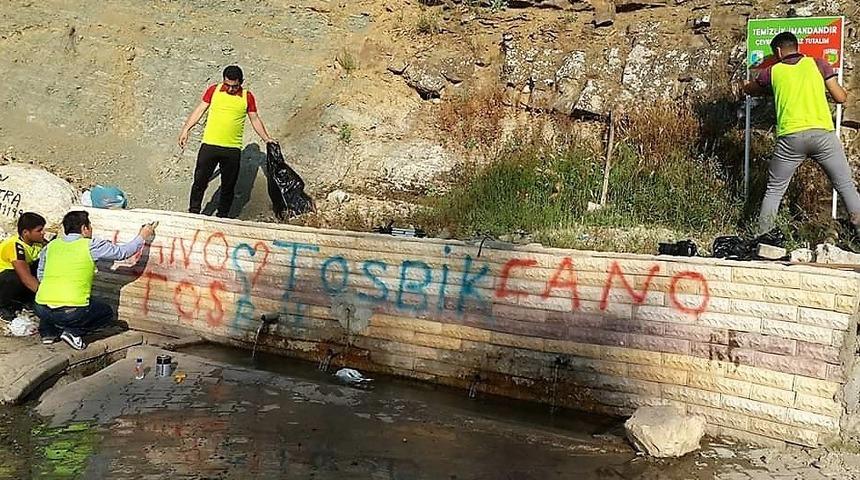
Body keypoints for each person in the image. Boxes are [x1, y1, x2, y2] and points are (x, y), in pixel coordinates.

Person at [743, 31, 859, 235]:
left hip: (791, 139)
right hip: (822, 135)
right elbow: (840, 97)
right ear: (797, 47)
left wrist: (746, 85)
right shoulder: (818, 64)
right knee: (846, 186)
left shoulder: (772, 71)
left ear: (778, 51)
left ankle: (762, 237)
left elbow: (751, 89)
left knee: (774, 191)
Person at [34, 211, 156, 350]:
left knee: (52, 305)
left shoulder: (51, 246)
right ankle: (73, 332)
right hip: (70, 312)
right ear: (84, 228)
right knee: (105, 312)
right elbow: (123, 252)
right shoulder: (90, 245)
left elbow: (40, 274)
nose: (91, 229)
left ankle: (48, 333)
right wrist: (142, 236)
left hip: (40, 308)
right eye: (90, 226)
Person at [178, 65, 276, 218]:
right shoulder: (214, 90)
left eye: (234, 86)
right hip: (209, 145)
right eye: (227, 85)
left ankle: (222, 216)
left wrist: (267, 139)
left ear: (241, 82)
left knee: (228, 186)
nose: (230, 89)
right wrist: (186, 129)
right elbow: (200, 110)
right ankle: (193, 213)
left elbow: (255, 119)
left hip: (232, 148)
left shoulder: (247, 97)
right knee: (199, 181)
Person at [0, 212, 46, 319]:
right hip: (5, 281)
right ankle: (3, 306)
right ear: (26, 232)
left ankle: (26, 300)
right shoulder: (15, 246)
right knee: (13, 276)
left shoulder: (38, 243)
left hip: (20, 284)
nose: (43, 233)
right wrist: (46, 296)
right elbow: (26, 278)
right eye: (39, 230)